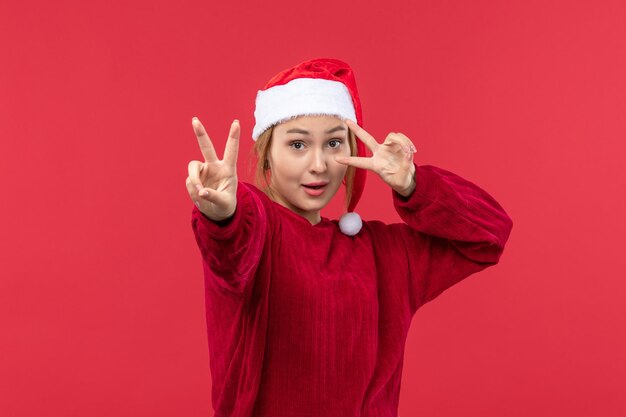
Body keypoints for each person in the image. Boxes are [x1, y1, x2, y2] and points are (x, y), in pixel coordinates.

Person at [186, 58, 513, 417]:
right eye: (297, 145)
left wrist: (414, 184)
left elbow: (490, 233)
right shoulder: (259, 225)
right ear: (267, 157)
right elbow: (232, 248)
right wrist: (222, 216)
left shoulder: (385, 253)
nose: (319, 165)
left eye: (333, 144)